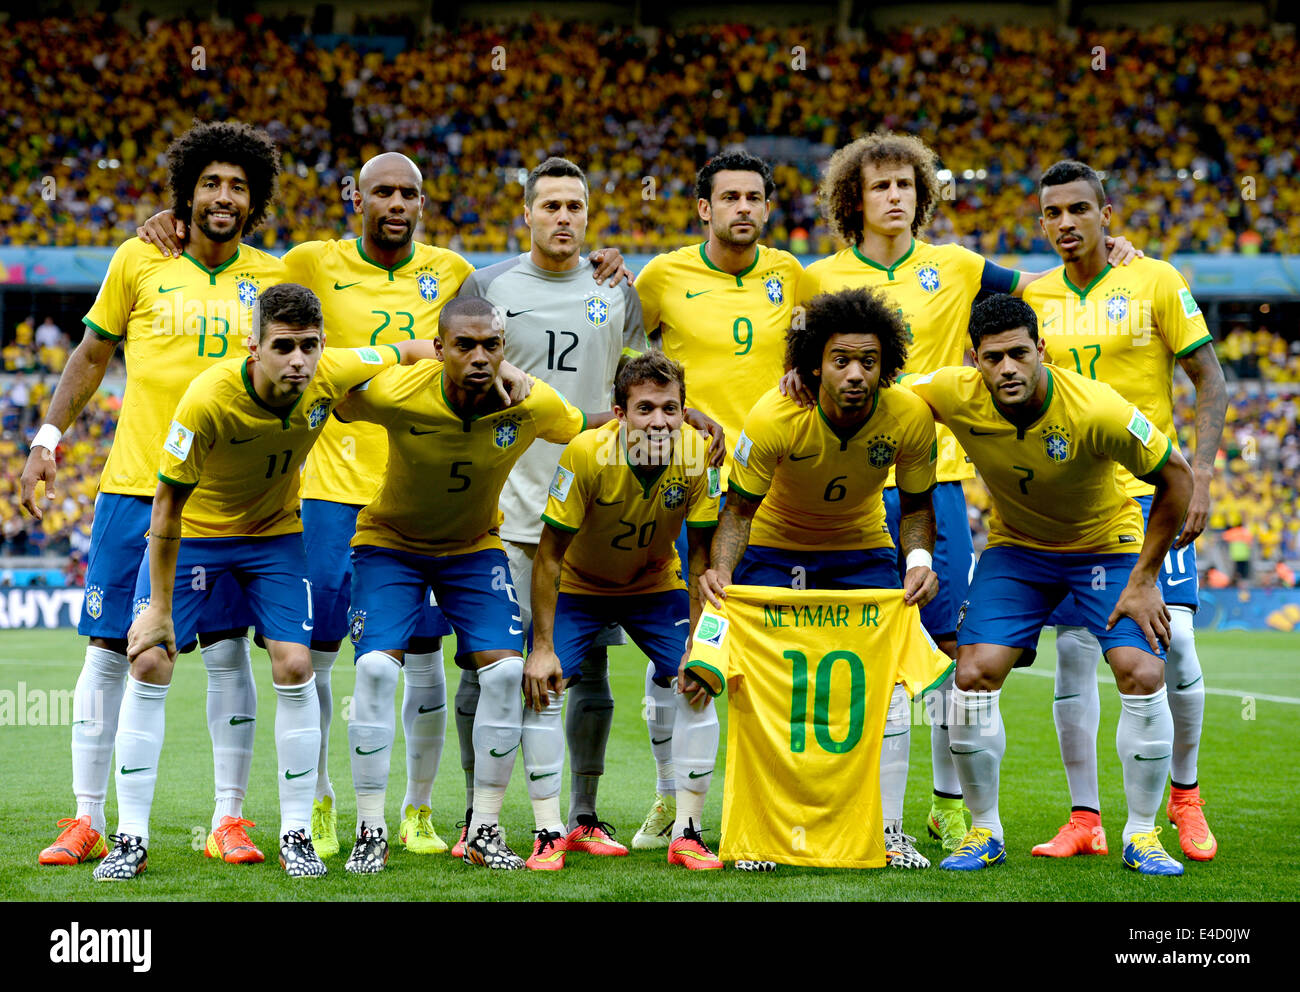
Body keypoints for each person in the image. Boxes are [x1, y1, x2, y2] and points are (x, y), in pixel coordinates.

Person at [136, 154, 629, 861]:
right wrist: (173, 226)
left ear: (423, 203)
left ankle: (418, 811)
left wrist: (597, 268)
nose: (397, 203)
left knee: (426, 657)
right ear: (354, 198)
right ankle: (327, 807)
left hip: (442, 507)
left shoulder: (453, 268)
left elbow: (482, 327)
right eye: (383, 192)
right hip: (339, 496)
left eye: (409, 193)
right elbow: (240, 270)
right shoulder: (307, 260)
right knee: (327, 657)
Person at [795, 131, 1143, 854]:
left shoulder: (954, 266)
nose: (895, 197)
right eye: (880, 186)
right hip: (849, 483)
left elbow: (1040, 293)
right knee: (848, 646)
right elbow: (794, 366)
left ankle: (949, 806)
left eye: (906, 186)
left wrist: (1113, 260)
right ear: (852, 199)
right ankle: (842, 801)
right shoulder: (814, 276)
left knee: (955, 648)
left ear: (923, 196)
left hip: (939, 479)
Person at [95, 282, 442, 880]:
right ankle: (130, 839)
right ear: (252, 347)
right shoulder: (207, 399)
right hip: (197, 533)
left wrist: (495, 367)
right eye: (284, 347)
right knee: (149, 662)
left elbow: (413, 348)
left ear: (323, 344)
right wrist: (156, 608)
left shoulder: (329, 374)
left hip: (274, 538)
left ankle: (296, 835)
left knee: (295, 665)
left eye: (309, 346)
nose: (299, 361)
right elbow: (166, 508)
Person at [21, 121, 284, 869]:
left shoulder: (273, 276)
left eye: (238, 184)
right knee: (108, 654)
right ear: (187, 193)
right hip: (134, 488)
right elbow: (92, 352)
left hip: (225, 500)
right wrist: (46, 441)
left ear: (255, 198)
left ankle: (229, 820)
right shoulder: (139, 257)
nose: (223, 196)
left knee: (230, 656)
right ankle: (87, 819)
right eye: (210, 183)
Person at [907, 294, 1193, 876]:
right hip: (1018, 551)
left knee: (1142, 673)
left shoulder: (1097, 409)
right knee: (971, 673)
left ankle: (1142, 833)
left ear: (1041, 350)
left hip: (1106, 547)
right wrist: (806, 379)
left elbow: (1177, 479)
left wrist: (1143, 578)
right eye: (993, 358)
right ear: (975, 361)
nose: (1007, 368)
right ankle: (983, 830)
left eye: (1018, 353)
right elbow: (882, 393)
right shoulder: (951, 391)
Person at [332, 295, 602, 872]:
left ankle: (484, 829)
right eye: (465, 346)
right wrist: (396, 352)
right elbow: (338, 397)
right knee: (377, 669)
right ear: (439, 350)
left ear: (506, 350)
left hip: (474, 549)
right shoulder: (399, 391)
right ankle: (370, 829)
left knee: (506, 673)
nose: (480, 357)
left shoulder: (531, 405)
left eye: (492, 346)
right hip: (389, 546)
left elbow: (585, 424)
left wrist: (673, 418)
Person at [1023, 160, 1227, 862]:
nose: (1067, 222)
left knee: (1178, 648)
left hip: (1151, 499)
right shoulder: (1031, 294)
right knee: (1077, 655)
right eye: (1053, 213)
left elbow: (1210, 380)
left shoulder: (1157, 280)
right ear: (1041, 222)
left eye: (1080, 209)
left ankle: (1185, 797)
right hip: (1071, 504)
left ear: (1107, 215)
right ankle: (1085, 818)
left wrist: (1198, 474)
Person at [699, 286, 941, 867]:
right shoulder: (775, 415)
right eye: (840, 361)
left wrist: (919, 565)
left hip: (861, 553)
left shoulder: (908, 417)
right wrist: (720, 574)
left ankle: (888, 831)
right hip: (778, 554)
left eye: (869, 361)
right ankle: (759, 832)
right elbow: (736, 511)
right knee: (761, 690)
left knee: (889, 692)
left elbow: (916, 509)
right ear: (814, 365)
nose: (855, 374)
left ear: (887, 366)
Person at [630, 149, 802, 847]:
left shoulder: (791, 274)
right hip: (681, 490)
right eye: (728, 197)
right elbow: (627, 361)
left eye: (753, 197)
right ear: (703, 208)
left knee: (771, 654)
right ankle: (672, 799)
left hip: (772, 494)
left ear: (766, 206)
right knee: (672, 651)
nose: (742, 208)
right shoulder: (662, 275)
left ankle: (769, 804)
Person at [525, 353, 721, 870]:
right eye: (645, 409)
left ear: (684, 411)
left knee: (701, 679)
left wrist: (701, 645)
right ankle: (549, 833)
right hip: (581, 589)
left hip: (655, 587)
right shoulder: (585, 454)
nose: (659, 421)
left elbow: (702, 558)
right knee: (540, 689)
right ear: (619, 413)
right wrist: (542, 648)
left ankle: (689, 833)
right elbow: (547, 557)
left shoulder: (699, 456)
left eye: (670, 408)